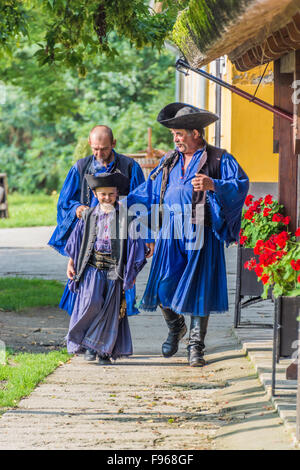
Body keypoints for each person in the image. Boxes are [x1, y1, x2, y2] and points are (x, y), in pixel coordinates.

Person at [125, 102, 249, 367]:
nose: (175, 139)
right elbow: (148, 192)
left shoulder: (219, 158)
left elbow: (240, 186)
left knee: (199, 289)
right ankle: (176, 327)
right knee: (161, 287)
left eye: (179, 133)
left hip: (201, 229)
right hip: (171, 231)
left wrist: (214, 184)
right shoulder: (169, 161)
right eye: (173, 135)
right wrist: (118, 202)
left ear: (195, 133)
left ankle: (196, 346)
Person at [48, 125, 145, 316]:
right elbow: (65, 202)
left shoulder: (130, 167)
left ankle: (109, 339)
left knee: (117, 295)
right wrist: (77, 208)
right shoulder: (80, 167)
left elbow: (143, 202)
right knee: (86, 296)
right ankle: (86, 336)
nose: (99, 153)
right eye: (95, 148)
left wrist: (145, 237)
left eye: (104, 148)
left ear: (114, 144)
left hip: (118, 240)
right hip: (88, 240)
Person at [65, 172, 147, 364]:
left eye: (111, 194)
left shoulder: (126, 218)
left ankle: (103, 351)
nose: (107, 198)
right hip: (91, 268)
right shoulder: (88, 216)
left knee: (109, 311)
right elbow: (77, 242)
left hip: (114, 270)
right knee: (91, 304)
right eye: (103, 194)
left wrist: (131, 272)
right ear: (95, 194)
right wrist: (71, 263)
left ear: (117, 193)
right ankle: (86, 343)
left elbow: (135, 246)